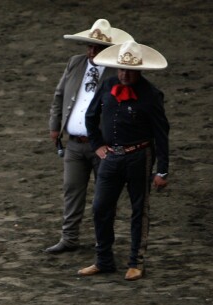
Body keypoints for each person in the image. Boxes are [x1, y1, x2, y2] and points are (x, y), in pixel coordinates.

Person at [79, 40, 170, 281]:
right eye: (121, 69)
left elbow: (161, 133)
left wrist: (162, 170)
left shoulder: (151, 95)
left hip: (139, 156)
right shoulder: (108, 85)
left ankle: (136, 262)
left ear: (139, 70)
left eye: (129, 70)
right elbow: (90, 116)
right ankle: (104, 259)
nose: (124, 74)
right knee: (100, 207)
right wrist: (98, 145)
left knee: (139, 210)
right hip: (111, 156)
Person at [45, 19, 134, 255]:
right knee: (72, 190)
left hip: (102, 145)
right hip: (75, 143)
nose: (92, 52)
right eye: (90, 47)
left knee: (105, 196)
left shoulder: (118, 71)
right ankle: (69, 237)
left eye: (98, 48)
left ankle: (103, 240)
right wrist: (55, 126)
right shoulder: (75, 63)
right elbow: (59, 95)